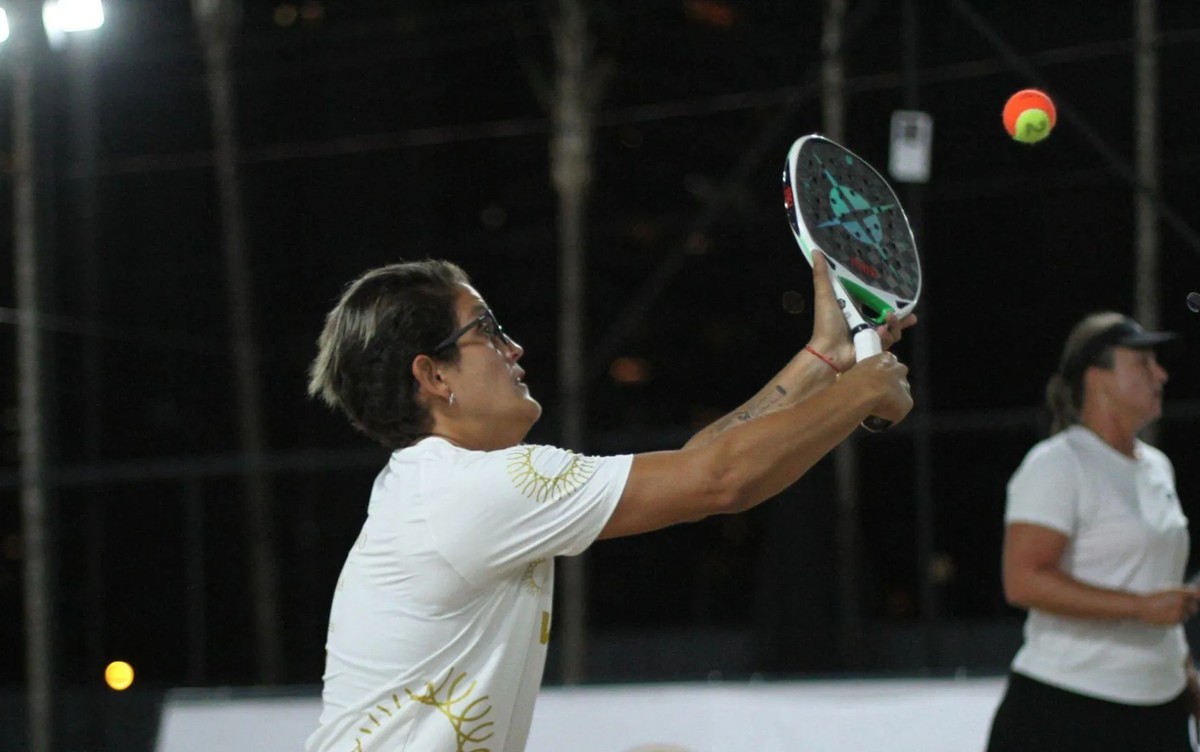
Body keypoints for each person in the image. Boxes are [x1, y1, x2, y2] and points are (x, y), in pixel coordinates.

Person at [303, 253, 914, 752]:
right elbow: (721, 480)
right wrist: (862, 390)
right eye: (486, 331)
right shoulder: (475, 489)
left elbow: (701, 464)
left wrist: (824, 362)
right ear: (434, 377)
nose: (513, 348)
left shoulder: (437, 484)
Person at [985, 311, 1200, 752]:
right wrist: (1139, 607)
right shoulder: (1059, 463)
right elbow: (1023, 581)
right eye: (1142, 363)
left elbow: (1158, 594)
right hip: (1066, 709)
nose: (1160, 374)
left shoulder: (1157, 466)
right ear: (1097, 378)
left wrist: (1188, 683)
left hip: (1160, 708)